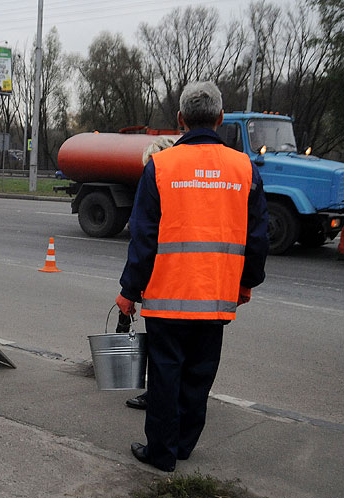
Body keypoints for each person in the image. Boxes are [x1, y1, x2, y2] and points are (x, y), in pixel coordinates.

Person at [116, 81, 269, 472]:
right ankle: (183, 445)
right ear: (219, 119)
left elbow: (143, 236)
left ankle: (161, 453)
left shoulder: (161, 167)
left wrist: (129, 291)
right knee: (199, 374)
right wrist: (247, 282)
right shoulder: (243, 168)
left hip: (167, 297)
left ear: (180, 119)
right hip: (217, 296)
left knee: (165, 374)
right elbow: (257, 236)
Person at [125, 135, 178, 412]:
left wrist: (129, 291)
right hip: (201, 291)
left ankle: (158, 397)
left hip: (164, 289)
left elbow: (143, 240)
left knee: (163, 353)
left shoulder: (157, 179)